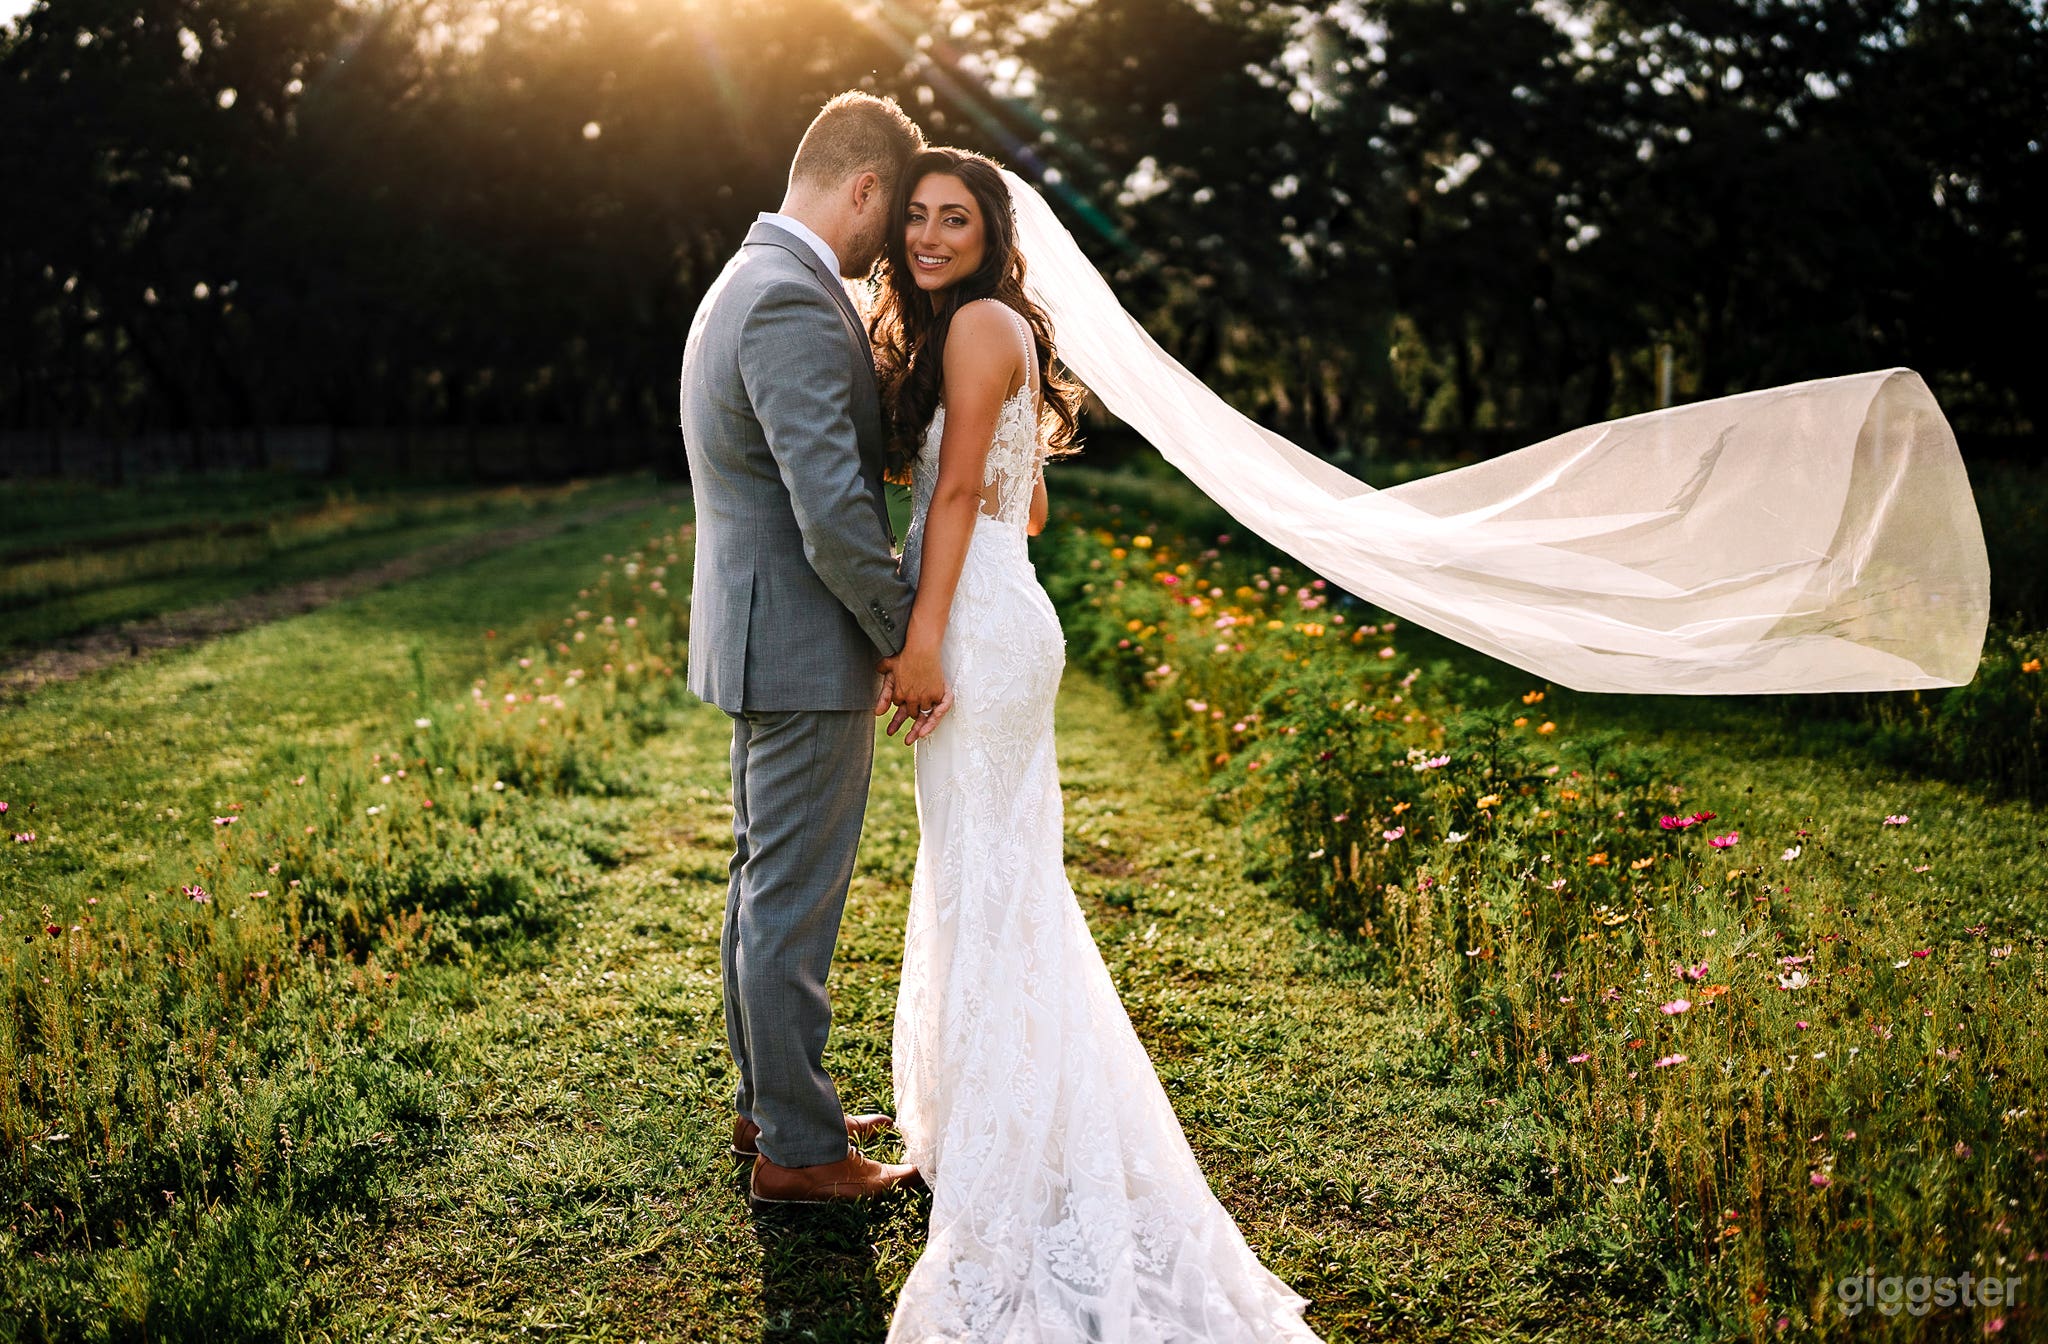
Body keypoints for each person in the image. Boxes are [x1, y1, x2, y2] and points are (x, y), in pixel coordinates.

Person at [870, 145, 1326, 1341]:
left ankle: (1017, 1146)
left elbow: (969, 497)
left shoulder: (973, 329)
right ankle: (993, 1117)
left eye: (950, 218)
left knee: (994, 880)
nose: (925, 235)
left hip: (973, 631)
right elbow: (1026, 500)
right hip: (1002, 614)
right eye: (913, 215)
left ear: (987, 233)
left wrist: (921, 641)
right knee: (991, 874)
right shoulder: (997, 328)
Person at [678, 92, 950, 1212]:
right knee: (790, 907)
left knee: (762, 890)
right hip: (798, 648)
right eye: (886, 231)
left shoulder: (747, 277)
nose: (885, 256)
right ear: (865, 187)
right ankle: (797, 1148)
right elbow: (832, 511)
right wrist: (904, 639)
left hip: (761, 640)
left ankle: (773, 1102)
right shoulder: (789, 297)